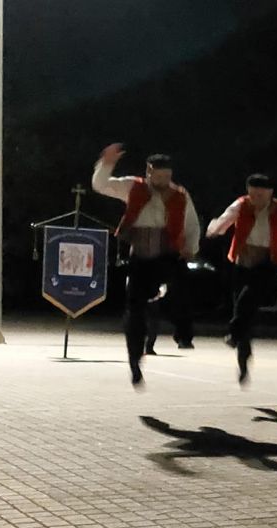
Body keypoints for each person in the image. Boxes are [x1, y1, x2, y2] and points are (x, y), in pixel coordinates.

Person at [91, 144, 202, 387]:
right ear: (148, 172)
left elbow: (192, 224)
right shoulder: (133, 186)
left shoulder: (180, 195)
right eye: (158, 176)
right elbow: (101, 185)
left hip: (168, 253)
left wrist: (190, 248)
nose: (163, 182)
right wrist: (107, 163)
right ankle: (135, 361)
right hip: (140, 256)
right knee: (135, 311)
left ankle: (183, 335)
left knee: (183, 288)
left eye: (167, 177)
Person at [206, 174, 277, 384]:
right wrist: (213, 229)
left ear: (270, 193)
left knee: (245, 301)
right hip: (243, 261)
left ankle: (233, 333)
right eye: (253, 195)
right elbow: (224, 221)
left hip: (270, 262)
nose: (256, 199)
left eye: (261, 195)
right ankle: (243, 361)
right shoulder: (241, 204)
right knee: (243, 313)